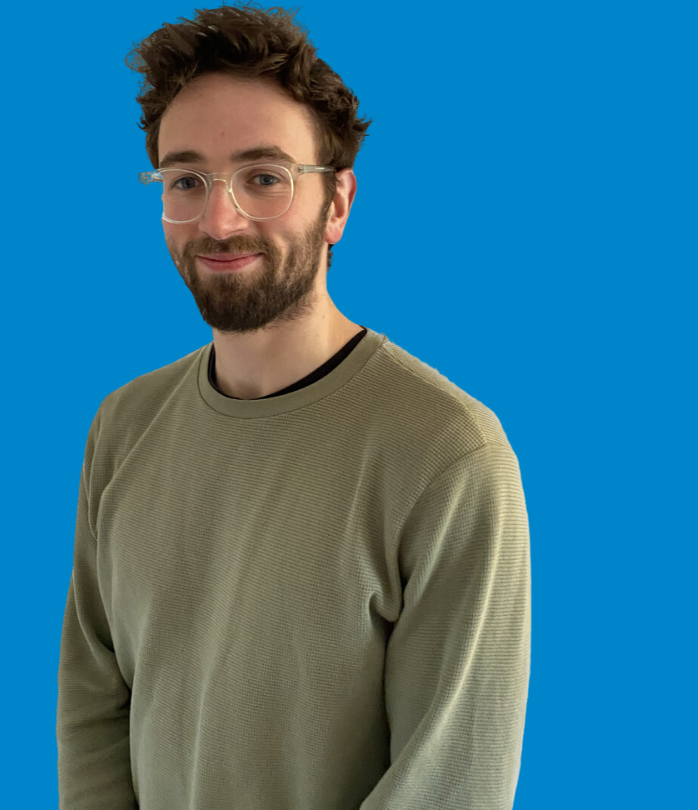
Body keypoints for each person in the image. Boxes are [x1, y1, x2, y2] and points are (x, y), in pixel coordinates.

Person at [57, 4, 531, 809]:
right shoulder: (124, 425)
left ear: (337, 203)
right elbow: (94, 704)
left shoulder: (447, 452)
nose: (219, 217)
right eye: (186, 180)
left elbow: (451, 779)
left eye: (264, 177)